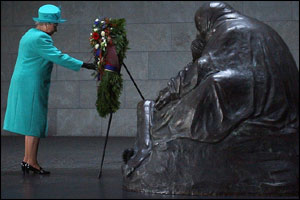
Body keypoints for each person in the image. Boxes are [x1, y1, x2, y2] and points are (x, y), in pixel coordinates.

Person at [3, 4, 96, 175]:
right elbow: (58, 56)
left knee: (30, 121)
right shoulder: (40, 38)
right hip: (31, 83)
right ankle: (32, 162)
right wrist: (85, 65)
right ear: (46, 23)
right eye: (56, 25)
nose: (56, 29)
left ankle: (27, 159)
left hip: (24, 81)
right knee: (34, 122)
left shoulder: (29, 34)